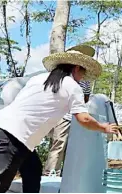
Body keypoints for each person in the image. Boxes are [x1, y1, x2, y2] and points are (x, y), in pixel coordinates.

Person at [0, 47, 119, 193]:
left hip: (9, 127)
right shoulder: (72, 86)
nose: (82, 77)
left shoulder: (39, 78)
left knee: (33, 170)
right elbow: (83, 118)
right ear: (77, 68)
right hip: (17, 134)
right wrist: (103, 127)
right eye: (83, 73)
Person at [43, 45, 93, 177]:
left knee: (71, 146)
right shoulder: (64, 78)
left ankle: (65, 174)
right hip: (64, 116)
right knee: (59, 144)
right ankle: (50, 174)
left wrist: (77, 104)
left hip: (76, 115)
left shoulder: (85, 80)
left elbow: (86, 98)